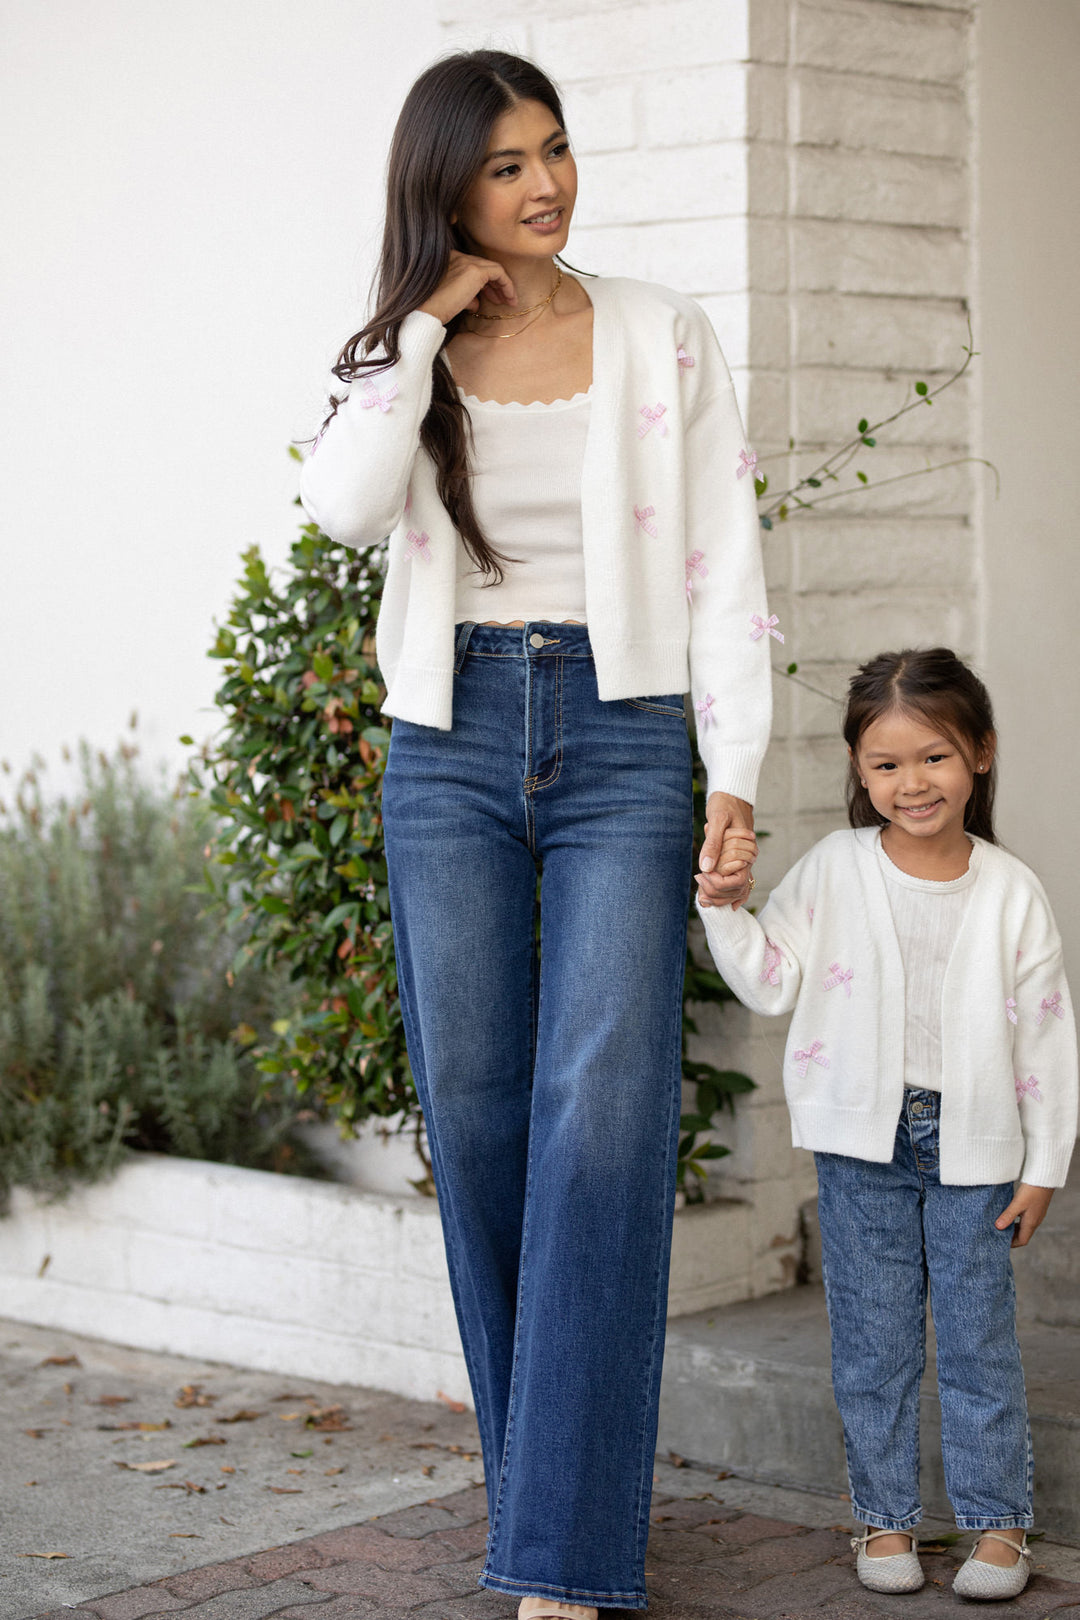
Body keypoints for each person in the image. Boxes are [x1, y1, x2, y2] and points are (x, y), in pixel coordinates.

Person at [298, 48, 772, 1620]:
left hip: (625, 734)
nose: (546, 183)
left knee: (604, 1116)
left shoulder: (660, 330)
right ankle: (553, 1518)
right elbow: (344, 508)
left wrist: (734, 766)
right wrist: (420, 327)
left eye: (554, 150)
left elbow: (723, 561)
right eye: (506, 164)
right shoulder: (405, 352)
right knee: (485, 1117)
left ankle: (557, 1554)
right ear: (448, 186)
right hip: (449, 744)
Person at [697, 647, 1077, 1601]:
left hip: (975, 1142)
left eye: (935, 756)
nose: (913, 782)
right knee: (874, 1342)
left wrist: (1045, 1165)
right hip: (859, 1144)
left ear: (981, 752)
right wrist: (725, 909)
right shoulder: (835, 869)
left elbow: (1045, 1036)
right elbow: (772, 979)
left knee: (979, 1340)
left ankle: (998, 1525)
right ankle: (885, 1519)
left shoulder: (1011, 890)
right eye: (888, 763)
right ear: (860, 771)